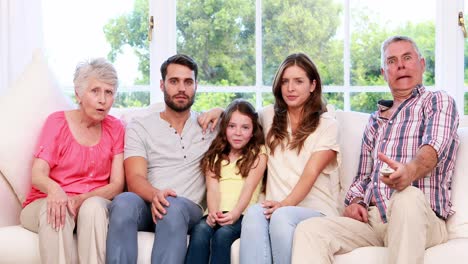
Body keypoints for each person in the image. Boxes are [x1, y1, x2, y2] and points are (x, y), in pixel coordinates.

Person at [292, 35, 460, 264]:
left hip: (421, 216)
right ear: (384, 73)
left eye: (407, 58)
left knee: (406, 197)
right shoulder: (375, 120)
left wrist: (409, 171)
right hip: (375, 220)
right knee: (309, 231)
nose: (400, 65)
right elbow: (362, 178)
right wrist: (355, 202)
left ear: (422, 64)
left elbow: (433, 149)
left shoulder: (438, 101)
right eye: (391, 61)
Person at [200, 52, 341, 264]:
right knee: (255, 213)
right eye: (285, 81)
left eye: (298, 81)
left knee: (280, 217)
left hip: (314, 209)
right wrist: (220, 110)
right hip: (271, 208)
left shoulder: (327, 125)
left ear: (312, 85)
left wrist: (284, 205)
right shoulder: (269, 116)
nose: (290, 88)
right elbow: (241, 117)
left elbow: (310, 173)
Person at [106, 54, 217, 264]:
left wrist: (222, 110)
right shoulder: (140, 126)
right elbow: (135, 176)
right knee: (123, 202)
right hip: (147, 203)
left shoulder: (209, 126)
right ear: (162, 85)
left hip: (187, 208)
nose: (181, 88)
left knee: (171, 207)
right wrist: (155, 194)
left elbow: (246, 121)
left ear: (196, 85)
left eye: (188, 82)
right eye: (174, 81)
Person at [20, 58, 125, 264]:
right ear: (78, 94)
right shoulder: (57, 122)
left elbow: (117, 185)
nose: (102, 100)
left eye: (109, 92)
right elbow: (38, 174)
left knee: (94, 207)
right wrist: (55, 190)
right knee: (57, 209)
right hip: (47, 202)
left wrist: (82, 199)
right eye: (95, 91)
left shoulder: (116, 128)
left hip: (89, 204)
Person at [185, 99, 268, 264]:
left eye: (245, 127)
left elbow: (249, 188)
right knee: (200, 231)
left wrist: (234, 214)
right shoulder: (214, 156)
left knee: (223, 235)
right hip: (215, 212)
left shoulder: (258, 153)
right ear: (224, 128)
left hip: (242, 214)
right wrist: (213, 214)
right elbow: (213, 189)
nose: (237, 132)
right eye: (232, 126)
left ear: (253, 131)